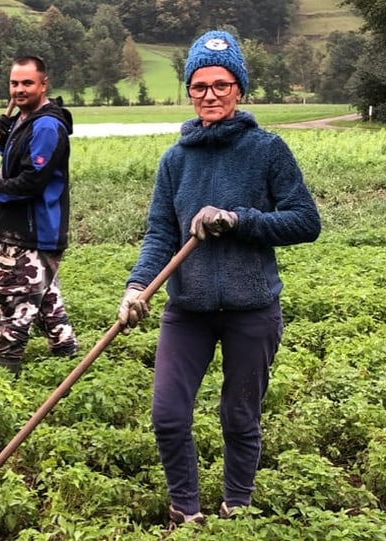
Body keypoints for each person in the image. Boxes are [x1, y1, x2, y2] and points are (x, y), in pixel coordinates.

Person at [116, 30, 321, 527]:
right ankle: (186, 511)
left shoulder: (267, 150)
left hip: (252, 309)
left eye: (221, 84)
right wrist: (137, 286)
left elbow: (305, 221)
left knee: (239, 417)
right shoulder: (175, 160)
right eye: (199, 85)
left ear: (240, 90)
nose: (209, 94)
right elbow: (159, 234)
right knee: (167, 416)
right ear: (188, 89)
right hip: (188, 310)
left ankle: (237, 508)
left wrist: (238, 220)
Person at [0, 55, 78, 376]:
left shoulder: (46, 125)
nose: (19, 89)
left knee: (13, 296)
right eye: (14, 83)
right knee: (45, 299)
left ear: (44, 85)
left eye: (27, 83)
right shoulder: (22, 119)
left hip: (35, 230)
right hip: (22, 227)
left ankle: (6, 364)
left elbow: (31, 181)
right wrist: (2, 141)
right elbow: (18, 161)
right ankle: (67, 354)